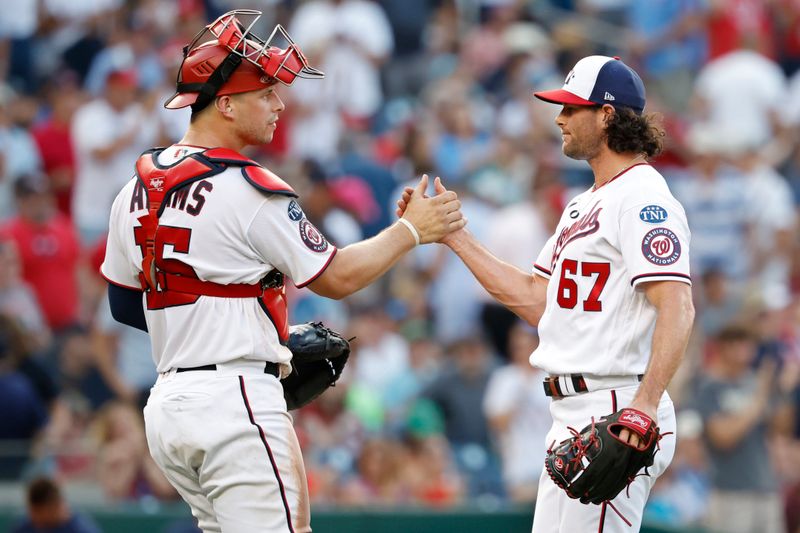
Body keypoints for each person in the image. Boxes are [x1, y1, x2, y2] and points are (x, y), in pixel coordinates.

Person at [100, 10, 464, 533]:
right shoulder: (247, 186)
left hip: (169, 408)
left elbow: (124, 303)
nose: (280, 104)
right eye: (265, 93)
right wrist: (410, 231)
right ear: (225, 103)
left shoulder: (133, 186)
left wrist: (223, 331)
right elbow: (334, 278)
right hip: (235, 404)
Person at [398, 55, 695, 531]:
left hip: (615, 405)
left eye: (571, 108)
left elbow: (677, 305)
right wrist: (454, 236)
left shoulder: (644, 197)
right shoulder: (584, 203)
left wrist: (643, 404)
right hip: (575, 409)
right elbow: (539, 301)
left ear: (607, 114)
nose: (559, 117)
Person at [10, 477, 100, 533]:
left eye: (38, 512)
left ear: (53, 508)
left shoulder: (82, 529)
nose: (32, 515)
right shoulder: (24, 527)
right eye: (31, 511)